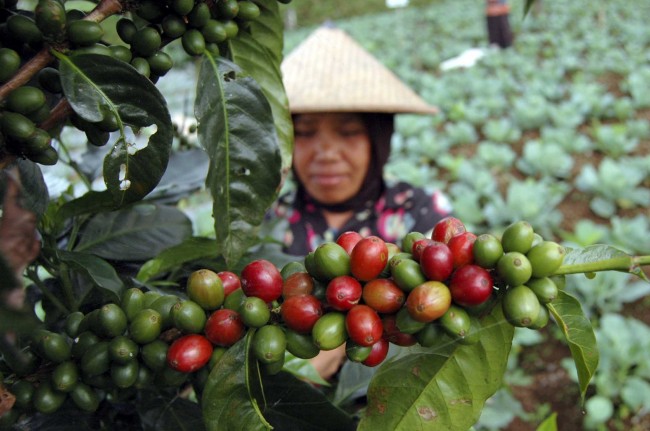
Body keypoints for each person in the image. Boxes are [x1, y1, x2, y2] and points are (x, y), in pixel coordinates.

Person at [267, 25, 452, 379]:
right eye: (304, 133)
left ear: (378, 140)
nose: (326, 154)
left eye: (348, 132)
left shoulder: (423, 212)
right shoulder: (271, 218)